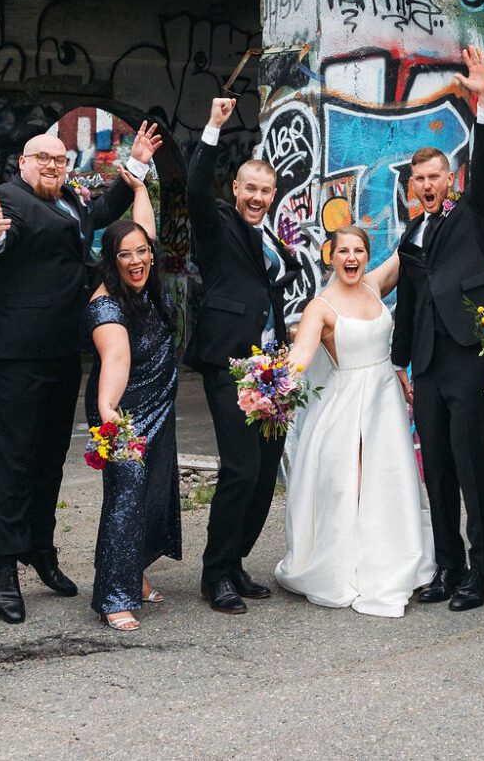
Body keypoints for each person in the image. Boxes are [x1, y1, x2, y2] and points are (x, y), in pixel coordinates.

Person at [0, 120, 159, 624]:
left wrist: (134, 165)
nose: (52, 165)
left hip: (59, 353)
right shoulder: (6, 200)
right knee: (13, 461)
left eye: (59, 159)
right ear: (24, 163)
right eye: (43, 159)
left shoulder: (70, 201)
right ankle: (6, 565)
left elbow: (99, 212)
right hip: (11, 355)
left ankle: (41, 549)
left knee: (50, 458)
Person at [390, 45, 484, 612]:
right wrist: (398, 363)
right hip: (429, 362)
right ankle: (447, 567)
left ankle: (481, 571)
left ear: (449, 178)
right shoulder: (409, 234)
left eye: (435, 176)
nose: (428, 184)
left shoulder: (474, 215)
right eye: (420, 179)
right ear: (413, 185)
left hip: (471, 356)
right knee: (435, 467)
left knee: (469, 462)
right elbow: (409, 302)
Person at [275, 228, 435, 617]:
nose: (351, 257)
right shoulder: (321, 306)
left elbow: (407, 248)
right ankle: (347, 565)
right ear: (331, 257)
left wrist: (435, 212)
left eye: (359, 250)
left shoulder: (374, 285)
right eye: (343, 250)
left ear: (366, 255)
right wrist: (273, 385)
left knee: (387, 479)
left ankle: (391, 555)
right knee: (351, 482)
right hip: (346, 403)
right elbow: (302, 354)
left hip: (385, 399)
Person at [186, 96, 303, 614]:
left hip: (273, 370)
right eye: (249, 189)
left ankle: (236, 563)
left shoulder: (273, 237)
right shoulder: (217, 223)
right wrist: (214, 126)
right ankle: (216, 576)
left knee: (262, 471)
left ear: (274, 194)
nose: (257, 197)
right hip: (230, 364)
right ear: (236, 190)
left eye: (265, 190)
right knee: (238, 468)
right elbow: (193, 186)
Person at [85, 142, 179, 631]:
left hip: (159, 398)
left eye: (143, 251)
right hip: (124, 406)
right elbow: (117, 358)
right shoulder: (107, 305)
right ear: (112, 260)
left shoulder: (148, 269)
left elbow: (146, 228)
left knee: (154, 491)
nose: (138, 260)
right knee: (126, 494)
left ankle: (136, 572)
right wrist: (108, 411)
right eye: (127, 255)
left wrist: (140, 185)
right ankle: (114, 596)